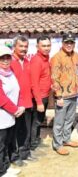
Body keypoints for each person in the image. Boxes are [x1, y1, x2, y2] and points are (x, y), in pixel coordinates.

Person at [51, 33, 78, 155]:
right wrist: (58, 95)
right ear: (62, 43)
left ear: (74, 44)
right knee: (59, 122)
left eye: (71, 42)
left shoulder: (77, 55)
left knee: (69, 120)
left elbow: (76, 74)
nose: (69, 45)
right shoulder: (57, 57)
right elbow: (54, 77)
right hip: (62, 96)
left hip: (74, 93)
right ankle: (57, 145)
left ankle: (66, 139)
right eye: (67, 42)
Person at [10, 36, 37, 166]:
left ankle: (25, 153)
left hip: (27, 102)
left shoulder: (27, 61)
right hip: (14, 104)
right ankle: (14, 156)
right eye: (21, 46)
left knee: (25, 130)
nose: (23, 49)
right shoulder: (8, 61)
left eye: (25, 46)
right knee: (14, 132)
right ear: (14, 46)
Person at [0, 46, 24, 177]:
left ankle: (5, 166)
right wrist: (15, 110)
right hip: (2, 117)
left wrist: (20, 105)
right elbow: (1, 98)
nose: (5, 60)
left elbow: (17, 90)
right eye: (1, 58)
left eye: (7, 57)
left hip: (10, 117)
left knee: (7, 143)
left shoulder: (10, 72)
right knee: (0, 146)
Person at [30, 35, 52, 150]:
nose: (46, 48)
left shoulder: (46, 58)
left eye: (48, 45)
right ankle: (33, 145)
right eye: (43, 46)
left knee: (39, 121)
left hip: (45, 96)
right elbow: (34, 83)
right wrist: (39, 102)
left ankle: (36, 140)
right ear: (37, 46)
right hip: (39, 98)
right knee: (36, 122)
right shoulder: (36, 61)